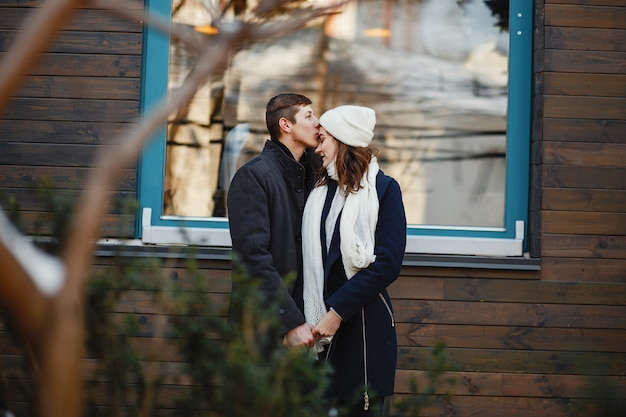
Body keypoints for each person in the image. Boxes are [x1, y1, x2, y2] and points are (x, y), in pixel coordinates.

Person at [301, 105, 407, 416]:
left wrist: (337, 312)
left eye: (323, 139)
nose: (317, 148)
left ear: (341, 140)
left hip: (362, 326)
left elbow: (387, 263)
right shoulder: (319, 191)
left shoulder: (385, 190)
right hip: (318, 327)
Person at [227, 93, 320, 349]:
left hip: (312, 329)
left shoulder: (315, 176)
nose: (318, 123)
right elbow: (252, 257)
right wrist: (289, 321)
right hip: (263, 331)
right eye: (309, 116)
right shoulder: (253, 177)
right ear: (285, 125)